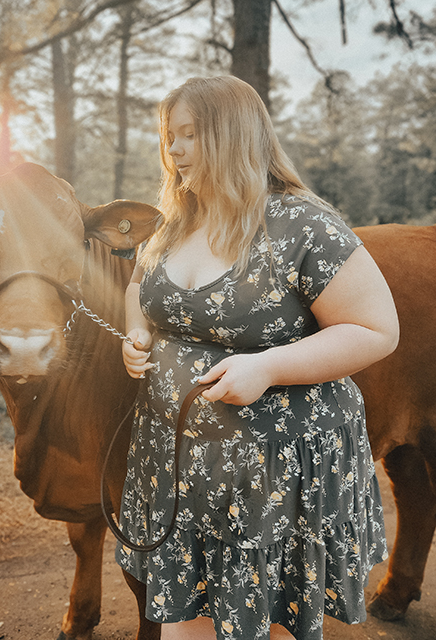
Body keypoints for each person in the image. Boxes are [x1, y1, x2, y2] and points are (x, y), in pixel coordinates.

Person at [118, 75, 399, 640]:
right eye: (169, 137)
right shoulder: (176, 221)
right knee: (183, 621)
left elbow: (375, 329)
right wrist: (135, 333)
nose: (172, 151)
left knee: (275, 624)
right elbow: (140, 287)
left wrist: (266, 367)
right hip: (179, 461)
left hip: (276, 469)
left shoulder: (304, 226)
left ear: (233, 134)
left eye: (189, 135)